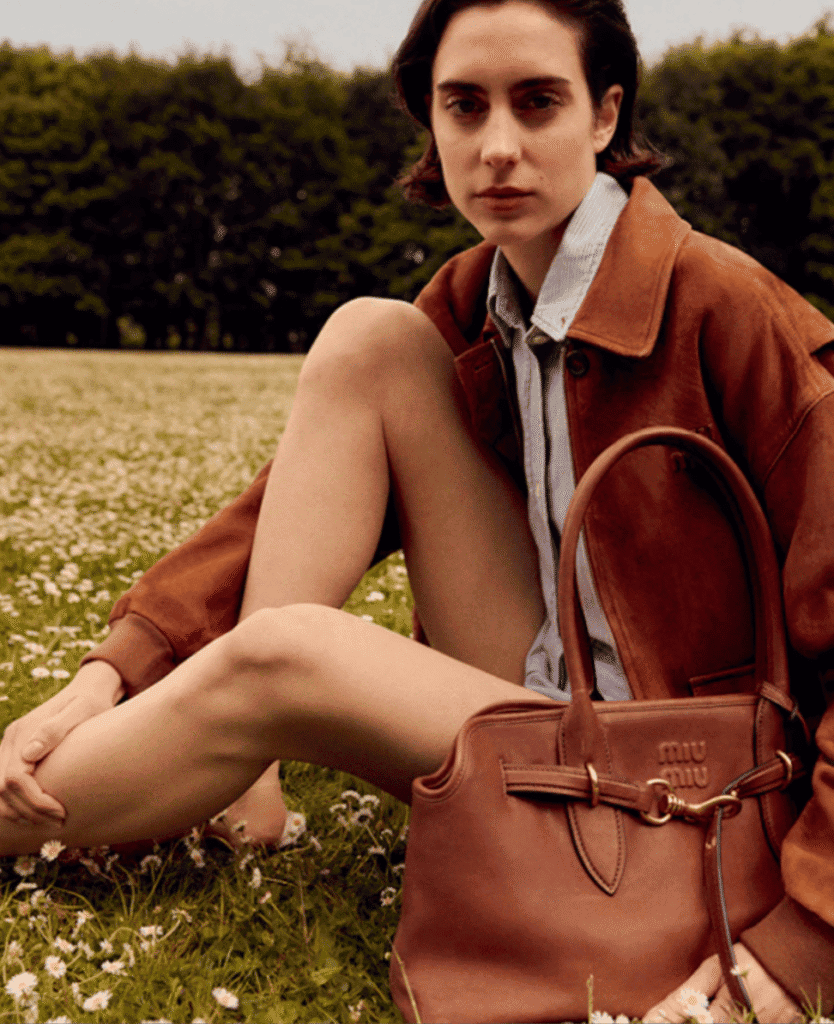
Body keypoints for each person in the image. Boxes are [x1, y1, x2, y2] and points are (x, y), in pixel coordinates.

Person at [0, 0, 831, 1019]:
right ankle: (239, 779)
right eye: (463, 106)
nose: (498, 148)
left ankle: (184, 765)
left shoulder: (725, 307)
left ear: (606, 115)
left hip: (677, 779)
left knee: (287, 654)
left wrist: (804, 938)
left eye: (538, 103)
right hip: (532, 709)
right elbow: (272, 511)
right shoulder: (472, 297)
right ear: (429, 125)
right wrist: (106, 673)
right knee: (369, 341)